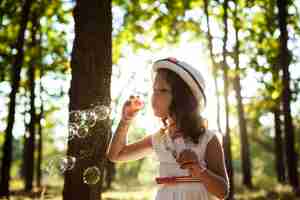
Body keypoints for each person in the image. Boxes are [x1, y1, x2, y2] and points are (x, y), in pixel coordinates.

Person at [107, 57, 229, 200]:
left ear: (183, 98)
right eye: (154, 89)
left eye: (163, 90)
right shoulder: (159, 139)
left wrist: (199, 169)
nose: (154, 95)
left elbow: (223, 191)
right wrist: (125, 121)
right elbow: (116, 155)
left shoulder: (207, 139)